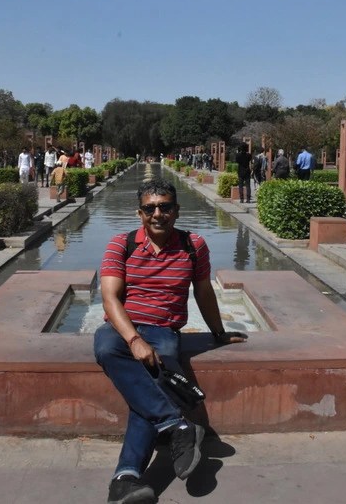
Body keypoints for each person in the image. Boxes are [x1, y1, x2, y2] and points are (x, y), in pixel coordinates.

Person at [94, 177, 248, 504]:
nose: (157, 214)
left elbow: (204, 292)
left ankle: (126, 478)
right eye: (150, 208)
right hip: (123, 328)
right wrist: (134, 339)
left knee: (150, 386)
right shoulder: (121, 244)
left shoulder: (194, 245)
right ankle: (177, 425)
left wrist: (218, 332)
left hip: (163, 330)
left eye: (165, 207)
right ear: (140, 213)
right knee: (106, 347)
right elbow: (110, 299)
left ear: (176, 211)